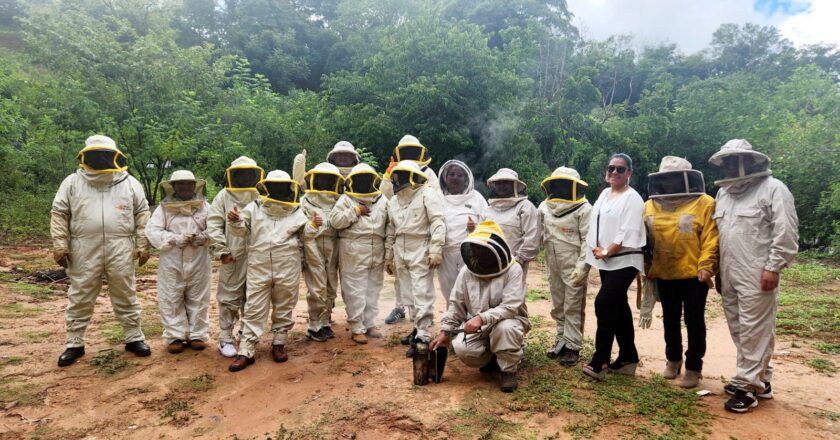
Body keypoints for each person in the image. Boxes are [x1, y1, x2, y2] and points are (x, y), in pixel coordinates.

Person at [708, 139, 798, 413]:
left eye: (736, 160)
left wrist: (773, 267)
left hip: (758, 272)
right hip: (730, 272)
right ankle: (762, 378)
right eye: (727, 162)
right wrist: (719, 272)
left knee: (754, 329)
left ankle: (746, 387)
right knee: (740, 327)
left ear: (750, 161)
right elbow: (719, 237)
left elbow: (786, 233)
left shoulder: (773, 189)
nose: (731, 166)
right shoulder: (724, 194)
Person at [51, 135, 152, 366]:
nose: (99, 158)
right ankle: (74, 342)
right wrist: (60, 244)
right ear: (86, 155)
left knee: (125, 291)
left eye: (104, 154)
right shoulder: (72, 182)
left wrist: (143, 244)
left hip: (121, 245)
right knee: (80, 293)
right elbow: (59, 213)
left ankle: (134, 337)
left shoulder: (129, 183)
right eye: (95, 154)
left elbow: (142, 213)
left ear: (115, 156)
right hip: (83, 245)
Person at [227, 170, 321, 372]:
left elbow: (306, 236)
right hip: (259, 263)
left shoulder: (296, 210)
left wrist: (314, 225)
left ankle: (279, 343)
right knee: (254, 306)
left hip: (287, 262)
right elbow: (241, 230)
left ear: (288, 188)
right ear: (267, 187)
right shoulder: (254, 208)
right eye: (275, 186)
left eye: (282, 186)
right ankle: (246, 350)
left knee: (285, 304)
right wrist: (235, 220)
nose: (278, 189)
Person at [642, 156, 719, 388]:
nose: (670, 183)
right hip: (664, 273)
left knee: (694, 321)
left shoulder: (705, 203)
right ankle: (673, 360)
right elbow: (644, 240)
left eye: (675, 178)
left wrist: (707, 265)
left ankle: (694, 367)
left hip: (694, 274)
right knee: (670, 319)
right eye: (666, 179)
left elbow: (711, 237)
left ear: (686, 178)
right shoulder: (649, 205)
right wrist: (646, 267)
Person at [430, 220, 530, 393]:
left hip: (509, 320)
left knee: (504, 329)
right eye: (475, 248)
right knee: (462, 348)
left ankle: (508, 369)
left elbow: (511, 306)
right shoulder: (467, 271)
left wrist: (481, 317)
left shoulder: (514, 270)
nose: (478, 253)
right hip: (480, 325)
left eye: (482, 248)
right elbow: (456, 304)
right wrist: (446, 331)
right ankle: (492, 358)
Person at [581, 153, 646, 381]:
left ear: (629, 173)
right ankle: (628, 356)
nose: (615, 173)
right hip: (605, 259)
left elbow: (627, 231)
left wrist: (608, 250)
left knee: (604, 302)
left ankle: (601, 359)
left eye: (620, 169)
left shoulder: (633, 198)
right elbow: (595, 225)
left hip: (625, 259)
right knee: (618, 306)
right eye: (611, 168)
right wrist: (597, 251)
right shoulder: (604, 194)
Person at [145, 170, 212, 354]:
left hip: (199, 256)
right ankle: (175, 336)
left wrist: (204, 237)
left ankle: (198, 335)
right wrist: (174, 238)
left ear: (194, 186)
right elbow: (152, 231)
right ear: (173, 187)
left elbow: (216, 226)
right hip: (172, 257)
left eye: (188, 184)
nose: (185, 187)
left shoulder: (205, 206)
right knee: (171, 295)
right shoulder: (164, 208)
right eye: (180, 184)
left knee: (199, 295)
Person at [384, 160, 445, 355]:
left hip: (420, 245)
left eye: (402, 174)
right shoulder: (394, 201)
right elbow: (391, 229)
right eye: (397, 175)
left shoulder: (428, 194)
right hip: (400, 248)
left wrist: (436, 249)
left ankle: (423, 336)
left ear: (412, 175)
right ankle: (416, 329)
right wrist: (388, 256)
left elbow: (437, 221)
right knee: (407, 292)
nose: (398, 179)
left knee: (421, 290)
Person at [207, 156, 264, 358]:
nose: (246, 176)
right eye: (241, 173)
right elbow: (213, 224)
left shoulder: (262, 194)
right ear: (233, 175)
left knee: (255, 297)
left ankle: (246, 334)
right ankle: (225, 338)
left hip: (259, 254)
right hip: (234, 254)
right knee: (229, 296)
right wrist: (221, 250)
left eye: (249, 172)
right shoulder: (224, 196)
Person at [382, 135, 442, 325]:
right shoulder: (394, 172)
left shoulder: (428, 173)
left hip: (419, 235)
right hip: (400, 236)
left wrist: (435, 247)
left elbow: (434, 204)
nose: (408, 154)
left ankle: (423, 324)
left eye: (411, 151)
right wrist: (387, 175)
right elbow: (386, 197)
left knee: (421, 282)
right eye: (405, 151)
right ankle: (401, 308)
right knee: (402, 279)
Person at [538, 167, 592, 367]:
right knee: (558, 303)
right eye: (557, 183)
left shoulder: (585, 209)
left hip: (574, 262)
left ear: (574, 186)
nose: (560, 187)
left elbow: (588, 239)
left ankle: (573, 346)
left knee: (573, 304)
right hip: (552, 261)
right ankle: (562, 339)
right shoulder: (544, 206)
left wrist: (582, 267)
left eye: (564, 183)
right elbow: (537, 231)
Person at [329, 163, 388, 344]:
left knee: (373, 287)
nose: (363, 181)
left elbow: (390, 224)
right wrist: (355, 211)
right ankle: (356, 327)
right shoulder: (346, 200)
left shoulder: (382, 200)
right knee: (355, 289)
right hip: (353, 246)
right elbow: (335, 221)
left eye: (366, 178)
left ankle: (369, 323)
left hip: (377, 246)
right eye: (359, 178)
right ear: (352, 181)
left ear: (373, 180)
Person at [300, 162, 344, 341]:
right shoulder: (304, 201)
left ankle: (325, 321)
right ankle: (314, 324)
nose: (325, 182)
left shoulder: (340, 201)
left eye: (328, 179)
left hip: (333, 244)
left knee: (331, 285)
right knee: (316, 286)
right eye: (322, 178)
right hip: (312, 244)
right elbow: (298, 229)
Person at [478, 168, 540, 292]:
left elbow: (532, 237)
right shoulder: (488, 210)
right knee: (490, 299)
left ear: (515, 185)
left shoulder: (526, 207)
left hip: (515, 263)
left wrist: (519, 260)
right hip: (490, 263)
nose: (502, 186)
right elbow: (481, 236)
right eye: (499, 183)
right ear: (494, 186)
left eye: (506, 182)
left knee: (513, 300)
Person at [436, 160, 487, 303]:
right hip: (445, 252)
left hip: (471, 250)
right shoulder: (437, 198)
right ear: (445, 178)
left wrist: (475, 229)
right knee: (449, 289)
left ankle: (470, 320)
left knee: (470, 287)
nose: (455, 177)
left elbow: (488, 223)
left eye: (460, 175)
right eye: (451, 174)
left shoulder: (477, 198)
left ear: (466, 179)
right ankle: (453, 321)